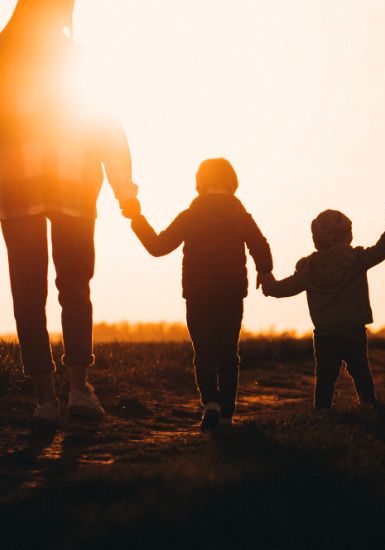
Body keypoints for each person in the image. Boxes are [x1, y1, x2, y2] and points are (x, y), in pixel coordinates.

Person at [0, 0, 140, 425]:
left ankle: (46, 399)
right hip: (74, 184)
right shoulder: (77, 58)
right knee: (75, 288)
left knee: (29, 294)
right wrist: (124, 190)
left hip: (16, 185)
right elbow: (106, 127)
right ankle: (78, 390)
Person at [130, 158, 273, 431]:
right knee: (229, 351)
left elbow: (158, 246)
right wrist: (264, 272)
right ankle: (227, 414)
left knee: (204, 350)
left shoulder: (190, 216)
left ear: (200, 184)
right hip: (231, 292)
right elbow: (260, 245)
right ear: (232, 184)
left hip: (198, 293)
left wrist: (137, 220)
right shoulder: (240, 216)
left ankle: (210, 404)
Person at [262, 210, 385, 411]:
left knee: (325, 376)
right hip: (353, 328)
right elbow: (379, 251)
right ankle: (369, 404)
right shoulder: (355, 259)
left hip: (325, 334)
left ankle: (322, 410)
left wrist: (267, 282)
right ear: (345, 235)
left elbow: (283, 289)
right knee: (360, 370)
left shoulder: (308, 269)